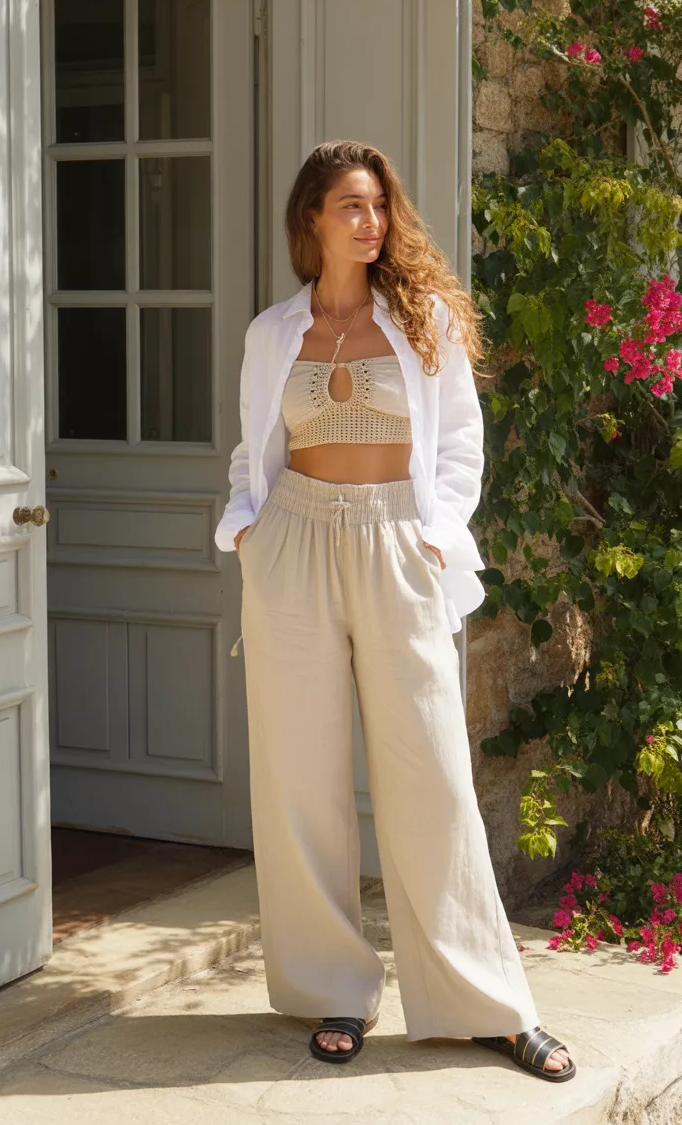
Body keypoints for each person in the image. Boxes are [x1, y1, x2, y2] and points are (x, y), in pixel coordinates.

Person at [214, 140, 575, 1084]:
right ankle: (333, 989)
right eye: (350, 207)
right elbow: (253, 451)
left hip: (395, 546)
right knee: (300, 779)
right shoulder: (271, 334)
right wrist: (245, 528)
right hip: (291, 545)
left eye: (378, 206)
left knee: (432, 774)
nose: (370, 222)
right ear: (312, 221)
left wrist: (435, 534)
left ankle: (485, 1003)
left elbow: (461, 444)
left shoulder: (425, 327)